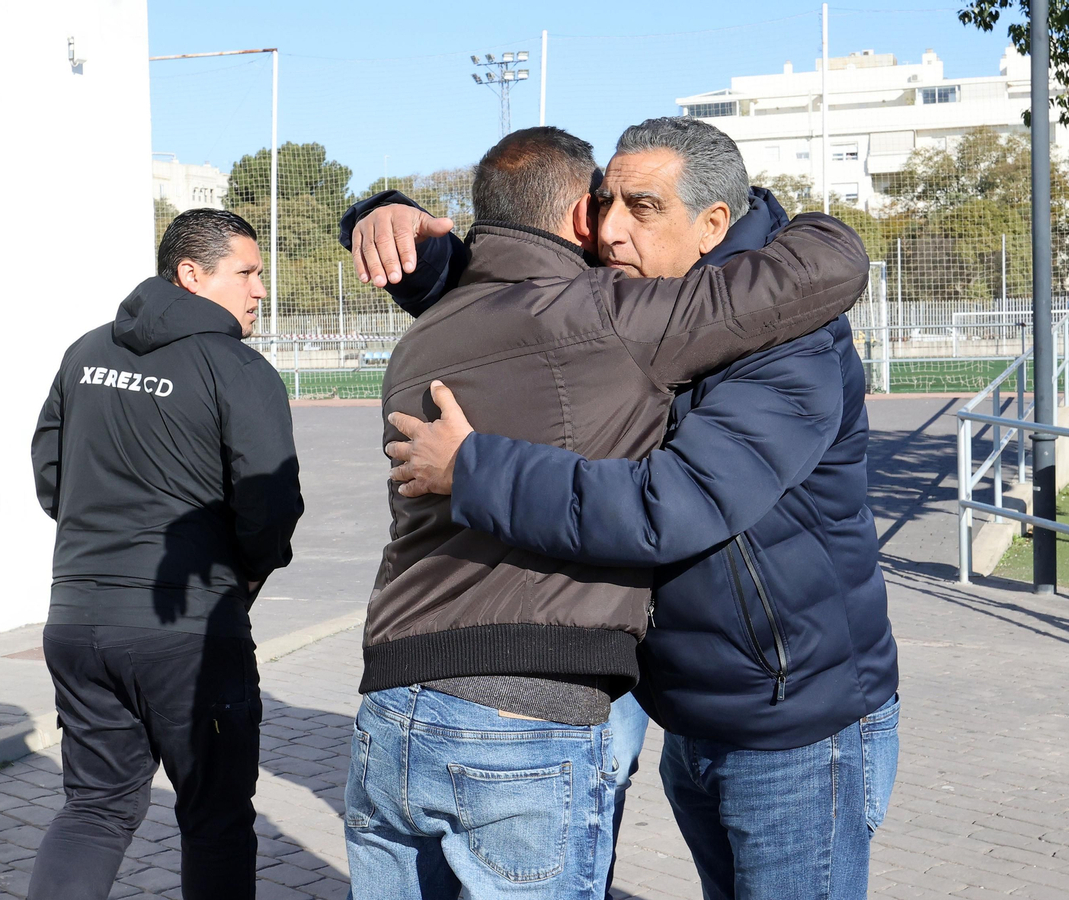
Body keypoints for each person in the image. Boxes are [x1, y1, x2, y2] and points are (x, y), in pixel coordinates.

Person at [365, 118, 900, 900]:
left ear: (714, 224)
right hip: (687, 703)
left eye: (642, 207)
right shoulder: (643, 293)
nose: (609, 230)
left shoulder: (790, 337)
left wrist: (476, 468)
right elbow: (515, 285)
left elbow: (671, 507)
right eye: (605, 202)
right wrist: (394, 226)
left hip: (793, 723)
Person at [28, 208, 304, 900]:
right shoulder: (239, 368)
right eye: (247, 272)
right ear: (190, 274)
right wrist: (245, 573)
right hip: (188, 634)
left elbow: (49, 474)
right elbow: (269, 506)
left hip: (76, 622)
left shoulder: (85, 353)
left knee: (96, 806)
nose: (259, 290)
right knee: (214, 819)